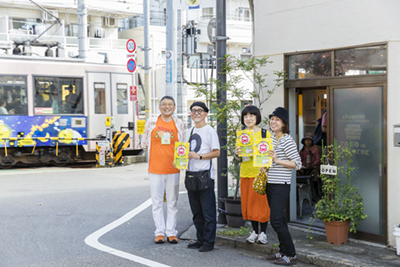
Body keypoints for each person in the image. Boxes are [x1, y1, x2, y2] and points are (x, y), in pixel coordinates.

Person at [141, 96, 186, 244]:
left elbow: (182, 145)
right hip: (155, 169)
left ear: (174, 107)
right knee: (157, 202)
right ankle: (159, 232)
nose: (167, 107)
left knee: (172, 202)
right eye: (164, 104)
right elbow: (145, 143)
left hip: (173, 169)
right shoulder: (151, 123)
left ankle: (171, 232)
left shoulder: (179, 123)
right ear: (159, 107)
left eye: (170, 104)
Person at [264, 107, 302, 266]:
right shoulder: (271, 139)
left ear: (284, 124)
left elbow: (298, 164)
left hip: (281, 185)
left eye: (277, 120)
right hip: (270, 184)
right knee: (278, 220)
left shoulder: (287, 140)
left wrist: (278, 160)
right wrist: (265, 166)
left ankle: (291, 254)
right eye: (272, 119)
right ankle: (282, 250)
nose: (273, 122)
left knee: (276, 220)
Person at [186, 101, 220, 252]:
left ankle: (208, 241)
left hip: (205, 175)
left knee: (208, 212)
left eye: (200, 110)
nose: (196, 113)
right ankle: (200, 239)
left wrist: (198, 156)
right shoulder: (190, 131)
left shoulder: (209, 131)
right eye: (193, 111)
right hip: (191, 175)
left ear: (206, 113)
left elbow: (217, 152)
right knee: (197, 212)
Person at [235, 105, 270, 244]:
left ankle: (263, 233)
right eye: (246, 116)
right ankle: (254, 231)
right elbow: (238, 158)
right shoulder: (241, 134)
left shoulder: (264, 134)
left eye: (251, 116)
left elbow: (269, 153)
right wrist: (237, 153)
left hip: (260, 173)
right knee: (249, 204)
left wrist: (266, 170)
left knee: (261, 204)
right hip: (245, 172)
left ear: (257, 117)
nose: (248, 119)